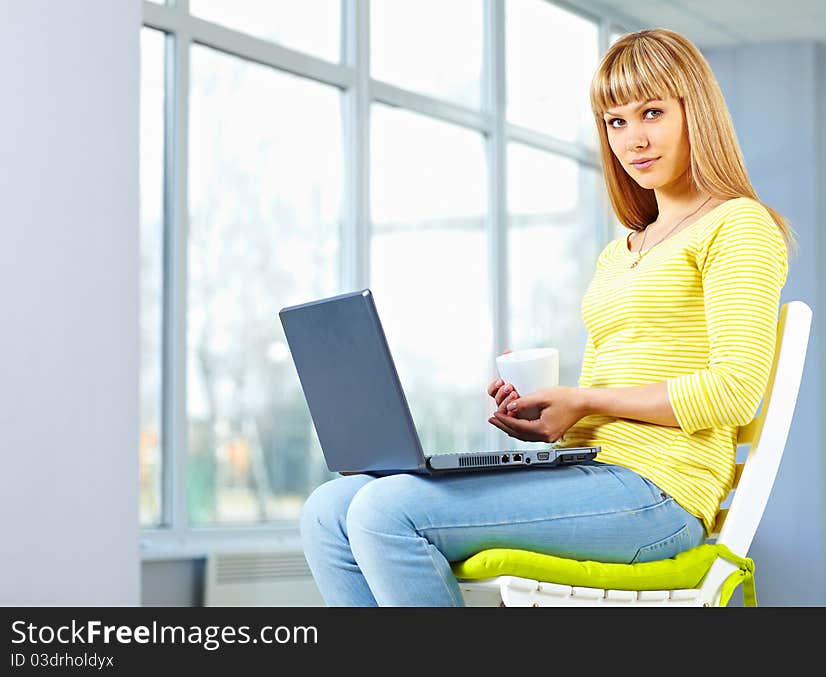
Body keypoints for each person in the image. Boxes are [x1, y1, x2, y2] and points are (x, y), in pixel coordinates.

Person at [298, 27, 797, 607]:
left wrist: (584, 401)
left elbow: (735, 391)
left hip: (658, 498)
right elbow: (612, 395)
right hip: (587, 472)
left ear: (697, 114)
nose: (633, 139)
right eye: (615, 122)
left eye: (652, 112)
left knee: (387, 512)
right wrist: (550, 415)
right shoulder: (621, 253)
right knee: (327, 510)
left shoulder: (740, 226)